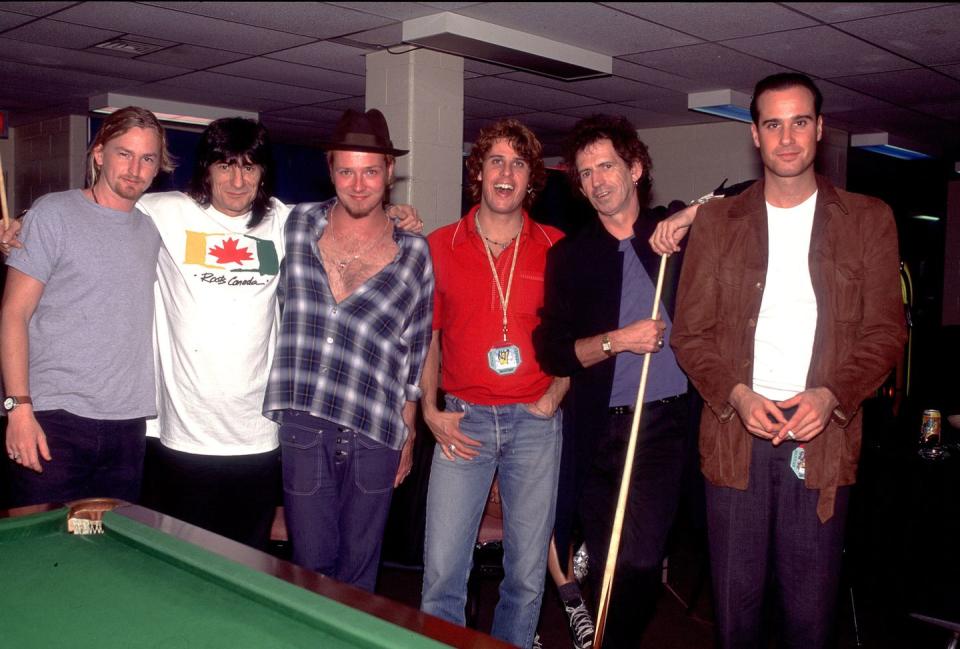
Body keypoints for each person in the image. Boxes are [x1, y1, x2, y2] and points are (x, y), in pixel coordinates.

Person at [670, 72, 907, 649]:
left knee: (808, 620)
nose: (787, 138)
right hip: (734, 439)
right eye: (773, 124)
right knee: (736, 617)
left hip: (821, 440)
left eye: (799, 121)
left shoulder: (868, 219)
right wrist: (737, 394)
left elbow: (884, 333)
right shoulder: (719, 224)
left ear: (820, 130)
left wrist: (831, 396)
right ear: (754, 135)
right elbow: (689, 335)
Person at [533, 114, 700, 647]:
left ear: (635, 168)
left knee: (639, 561)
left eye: (606, 165)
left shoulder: (672, 231)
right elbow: (553, 351)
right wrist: (616, 341)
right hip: (597, 432)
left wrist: (694, 214)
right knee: (609, 566)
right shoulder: (570, 256)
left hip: (665, 425)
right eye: (585, 173)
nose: (598, 180)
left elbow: (751, 194)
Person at [262, 108, 433, 592]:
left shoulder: (414, 252)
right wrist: (27, 223)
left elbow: (416, 346)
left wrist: (410, 430)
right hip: (304, 423)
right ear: (330, 169)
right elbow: (220, 211)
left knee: (360, 572)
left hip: (377, 430)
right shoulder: (292, 226)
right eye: (347, 171)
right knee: (310, 568)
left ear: (389, 173)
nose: (359, 185)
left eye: (371, 171)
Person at [419, 118, 567, 649]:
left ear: (532, 179)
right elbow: (428, 338)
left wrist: (555, 395)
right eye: (495, 161)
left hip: (534, 423)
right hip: (464, 422)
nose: (506, 173)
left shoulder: (557, 246)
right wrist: (430, 410)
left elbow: (577, 335)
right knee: (441, 574)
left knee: (526, 577)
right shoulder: (440, 244)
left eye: (518, 163)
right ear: (477, 173)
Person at [1, 107, 173, 506]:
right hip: (53, 418)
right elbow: (13, 314)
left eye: (147, 158)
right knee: (41, 552)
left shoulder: (151, 227)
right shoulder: (53, 214)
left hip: (128, 425)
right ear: (99, 154)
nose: (135, 169)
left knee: (106, 554)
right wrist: (18, 409)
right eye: (123, 153)